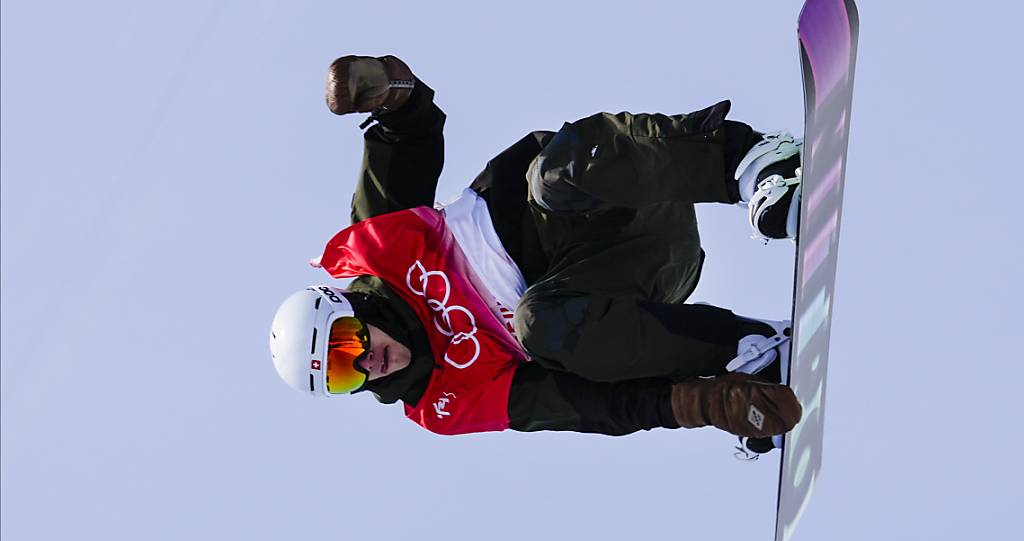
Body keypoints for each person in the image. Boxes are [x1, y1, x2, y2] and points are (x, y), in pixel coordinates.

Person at [269, 55, 803, 452]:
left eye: (346, 344)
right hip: (626, 280)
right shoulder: (445, 398)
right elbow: (583, 404)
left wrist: (387, 89)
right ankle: (749, 350)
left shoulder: (375, 246)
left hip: (607, 198)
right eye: (345, 376)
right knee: (539, 325)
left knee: (550, 176)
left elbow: (411, 134)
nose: (366, 363)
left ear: (351, 309)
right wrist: (703, 404)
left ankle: (752, 161)